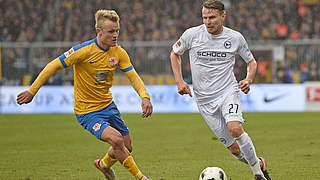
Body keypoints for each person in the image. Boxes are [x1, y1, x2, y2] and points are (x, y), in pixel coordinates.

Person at [17, 9, 152, 180]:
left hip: (108, 106)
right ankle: (142, 178)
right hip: (87, 111)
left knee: (126, 145)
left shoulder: (118, 52)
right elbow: (53, 65)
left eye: (117, 30)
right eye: (111, 31)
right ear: (99, 31)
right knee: (117, 140)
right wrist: (32, 91)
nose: (116, 35)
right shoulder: (83, 51)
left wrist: (144, 96)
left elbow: (134, 77)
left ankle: (102, 165)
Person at [169, 1, 271, 180]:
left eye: (212, 17)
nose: (208, 21)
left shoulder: (235, 38)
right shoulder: (192, 35)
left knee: (235, 128)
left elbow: (251, 62)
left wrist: (248, 79)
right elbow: (175, 53)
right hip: (204, 100)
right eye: (205, 17)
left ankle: (257, 174)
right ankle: (258, 162)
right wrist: (179, 81)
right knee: (234, 149)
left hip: (227, 92)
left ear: (223, 16)